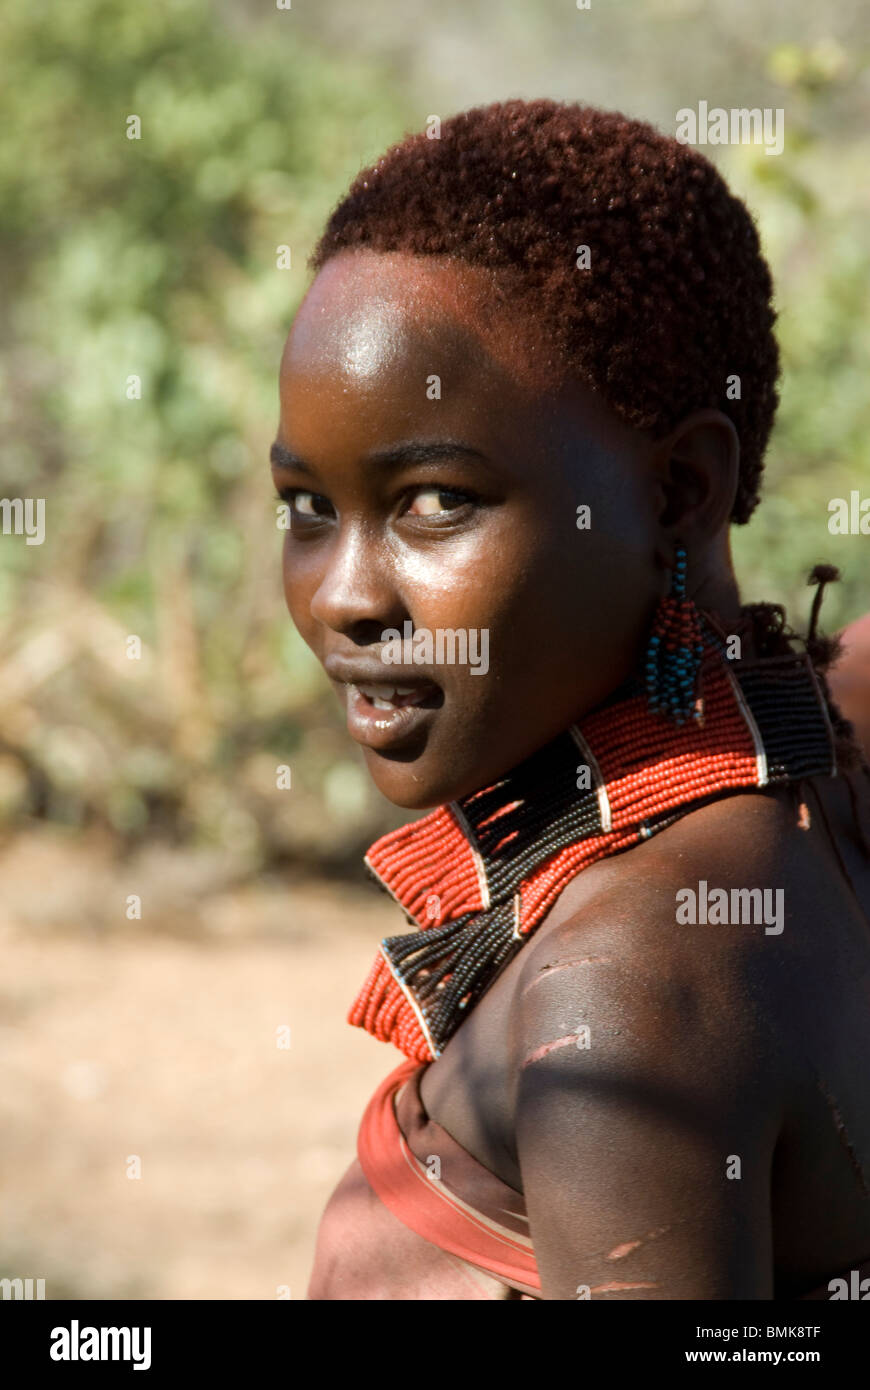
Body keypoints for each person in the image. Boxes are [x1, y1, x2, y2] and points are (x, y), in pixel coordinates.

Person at [269, 99, 870, 1300]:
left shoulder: (624, 986)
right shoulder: (815, 735)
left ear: (681, 490)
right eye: (307, 507)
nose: (343, 596)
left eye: (435, 499)